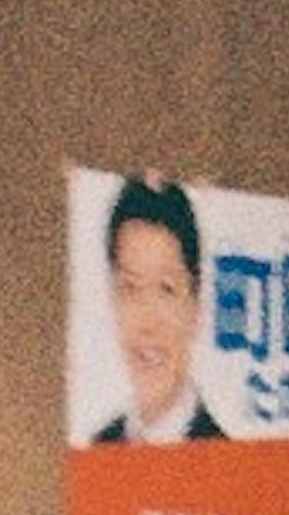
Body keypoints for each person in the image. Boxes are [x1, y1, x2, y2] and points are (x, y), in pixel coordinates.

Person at [90, 174, 226, 444]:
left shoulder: (225, 457)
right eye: (130, 288)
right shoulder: (99, 447)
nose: (148, 322)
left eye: (166, 289)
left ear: (196, 308)